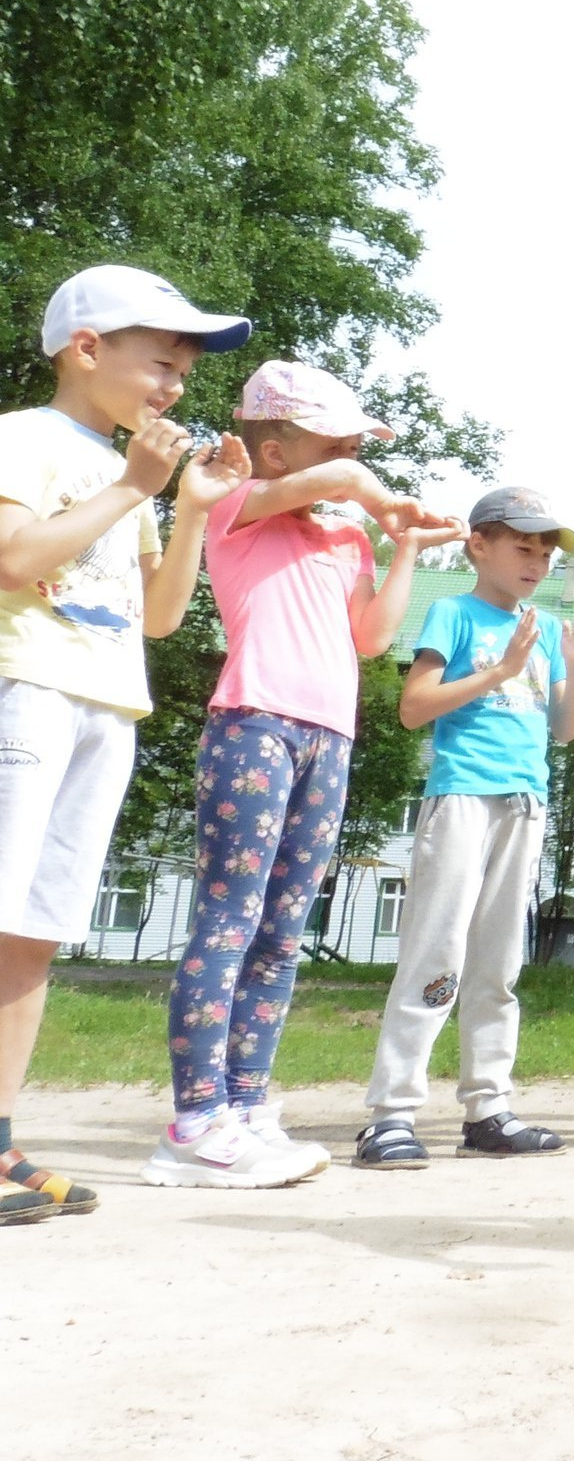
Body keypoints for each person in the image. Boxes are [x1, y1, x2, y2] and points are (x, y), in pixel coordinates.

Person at [146, 362, 459, 1190]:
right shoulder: (235, 504)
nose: (353, 458)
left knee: (282, 935)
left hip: (330, 738)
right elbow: (347, 481)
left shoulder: (345, 537)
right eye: (336, 443)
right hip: (254, 725)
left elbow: (372, 639)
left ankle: (246, 1105)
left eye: (355, 445)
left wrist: (402, 548)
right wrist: (378, 495)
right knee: (230, 921)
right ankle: (196, 1119)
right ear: (276, 450)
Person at [0, 266, 251, 1223]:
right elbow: (15, 560)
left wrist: (189, 508)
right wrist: (134, 486)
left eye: (184, 373)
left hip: (106, 705)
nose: (174, 387)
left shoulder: (132, 474)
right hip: (27, 692)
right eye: (161, 364)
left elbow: (159, 616)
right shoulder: (23, 438)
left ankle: (1, 1143)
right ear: (86, 348)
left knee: (34, 932)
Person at [353, 486, 574, 1168]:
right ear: (479, 546)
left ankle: (488, 1108)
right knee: (435, 953)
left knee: (498, 963)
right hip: (462, 796)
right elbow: (414, 707)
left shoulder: (546, 628)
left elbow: (566, 729)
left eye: (545, 554)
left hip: (524, 802)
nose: (536, 563)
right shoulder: (453, 613)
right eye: (523, 548)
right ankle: (391, 1114)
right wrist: (502, 670)